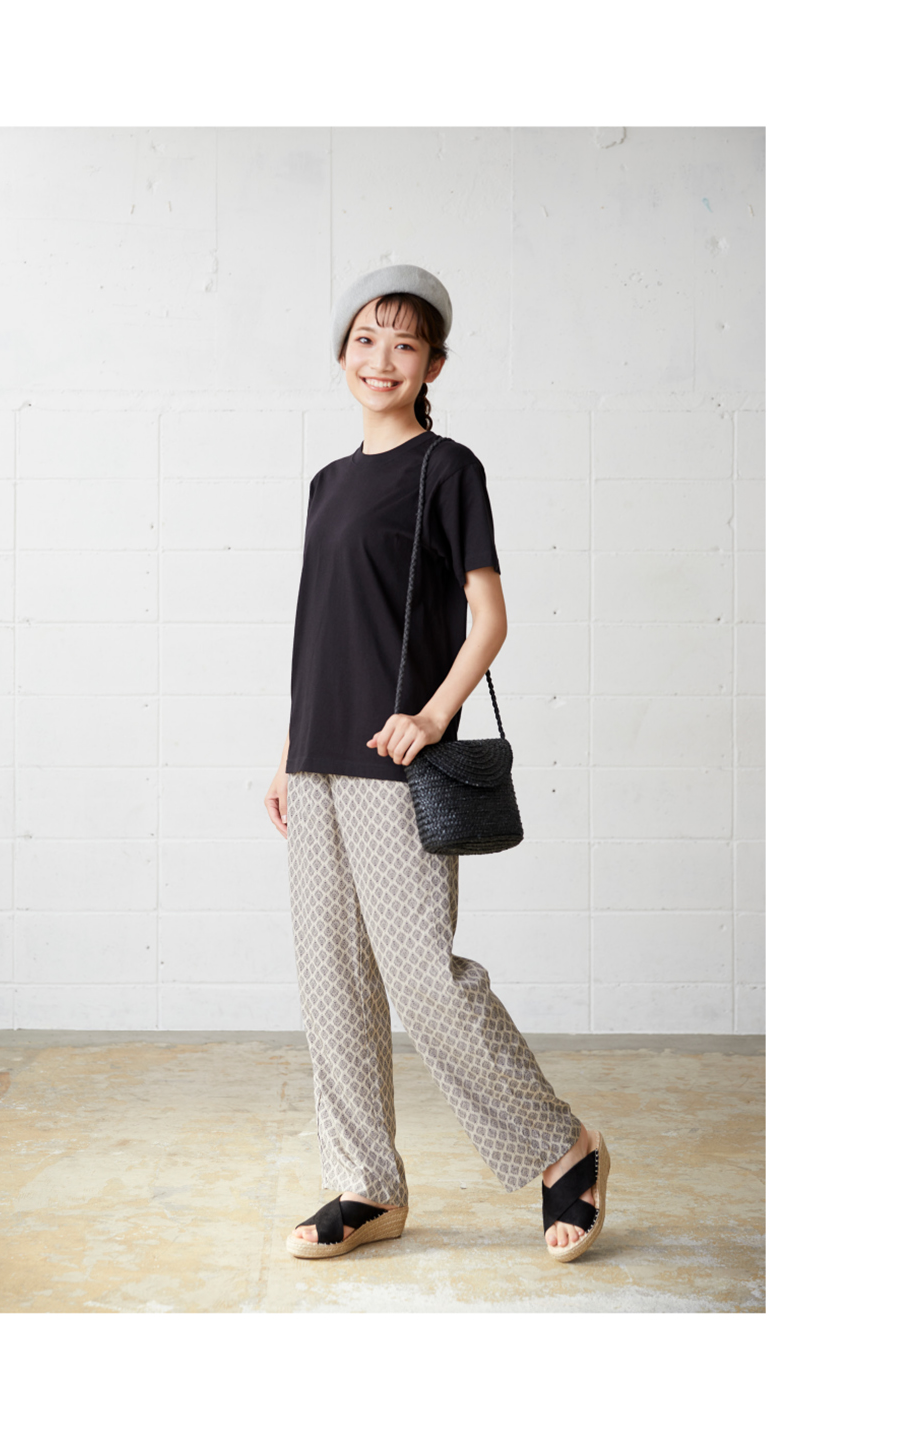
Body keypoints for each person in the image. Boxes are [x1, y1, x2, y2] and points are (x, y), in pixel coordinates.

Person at [263, 264, 610, 1264]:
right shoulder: (327, 483)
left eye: (405, 344)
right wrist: (286, 755)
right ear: (342, 355)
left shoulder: (447, 469)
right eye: (366, 340)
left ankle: (563, 1147)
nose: (382, 359)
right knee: (332, 979)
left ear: (433, 365)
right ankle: (366, 1185)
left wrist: (431, 714)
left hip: (393, 757)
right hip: (317, 758)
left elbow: (487, 617)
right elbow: (319, 632)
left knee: (424, 977)